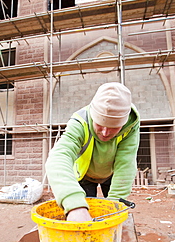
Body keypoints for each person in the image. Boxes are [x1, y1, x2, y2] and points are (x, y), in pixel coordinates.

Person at [45, 82, 140, 222]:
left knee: (114, 213)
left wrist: (114, 207)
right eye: (100, 125)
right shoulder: (80, 122)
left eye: (114, 127)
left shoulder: (131, 126)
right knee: (84, 211)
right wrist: (74, 206)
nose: (105, 133)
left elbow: (126, 162)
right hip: (85, 175)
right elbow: (58, 157)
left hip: (112, 175)